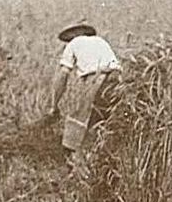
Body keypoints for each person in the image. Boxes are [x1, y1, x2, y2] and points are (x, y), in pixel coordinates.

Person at [50, 23, 122, 161]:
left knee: (78, 122)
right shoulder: (101, 42)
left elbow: (63, 76)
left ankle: (74, 161)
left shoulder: (73, 44)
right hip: (117, 83)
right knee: (102, 124)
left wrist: (54, 105)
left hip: (97, 80)